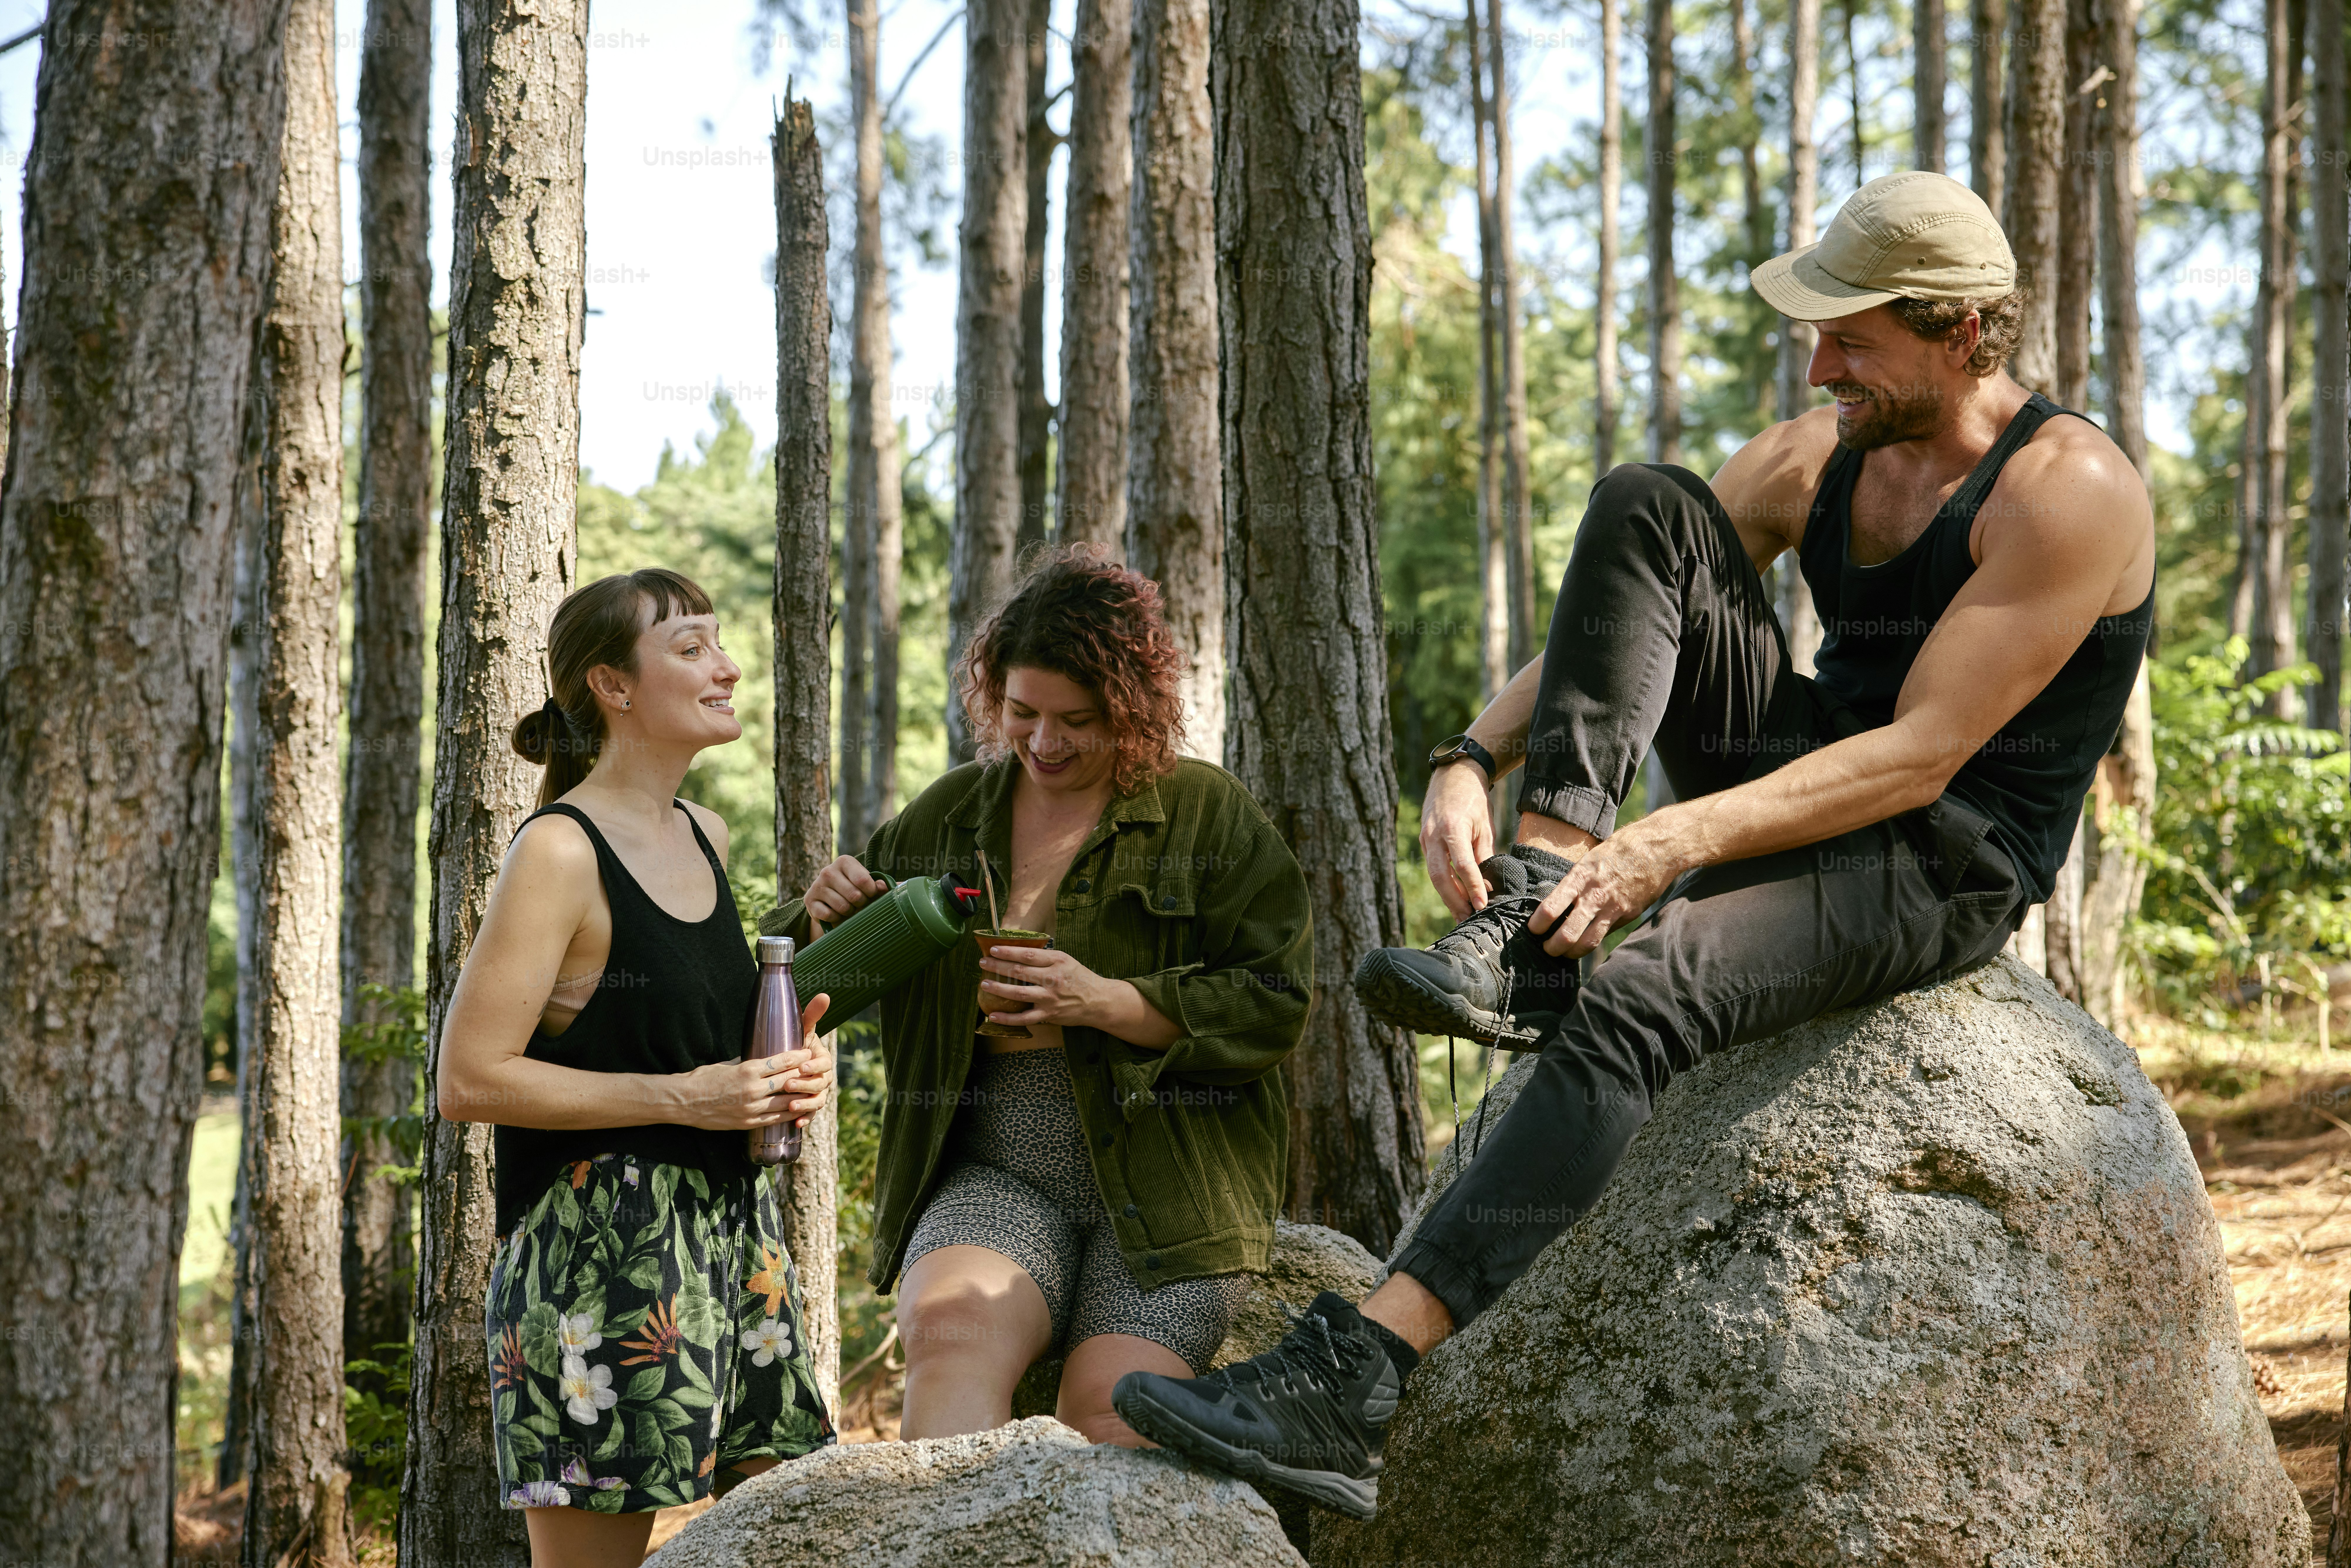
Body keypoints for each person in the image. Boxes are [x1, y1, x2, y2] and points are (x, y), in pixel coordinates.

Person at [1112, 171, 2158, 1519]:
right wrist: (1470, 754)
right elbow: (1631, 608)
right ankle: (1531, 916)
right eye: (1817, 330)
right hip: (1794, 775)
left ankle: (1355, 1379)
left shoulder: (2068, 491)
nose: (1818, 360)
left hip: (1937, 853)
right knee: (1647, 502)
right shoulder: (1819, 452)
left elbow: (1919, 752)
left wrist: (1668, 845)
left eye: (1851, 335)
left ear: (1960, 327)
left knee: (1641, 990)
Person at [762, 544, 1313, 1446]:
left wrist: (1106, 1001)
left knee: (1111, 1405)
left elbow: (1275, 999)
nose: (1046, 743)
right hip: (996, 1169)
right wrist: (824, 920)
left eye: (1079, 720)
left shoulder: (1207, 814)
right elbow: (805, 989)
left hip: (1173, 1179)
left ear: (1133, 710)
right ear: (994, 695)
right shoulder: (949, 815)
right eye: (1024, 713)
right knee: (950, 1343)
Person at [438, 569, 838, 1568]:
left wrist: (779, 1075)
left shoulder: (706, 834)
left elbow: (677, 1039)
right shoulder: (560, 853)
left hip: (735, 1248)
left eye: (720, 642)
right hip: (595, 1268)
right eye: (692, 647)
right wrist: (686, 1099)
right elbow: (470, 1078)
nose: (727, 667)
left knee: (800, 1534)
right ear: (615, 688)